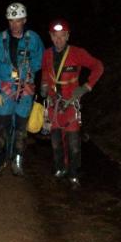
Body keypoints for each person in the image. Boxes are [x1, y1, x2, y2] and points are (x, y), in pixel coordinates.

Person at [40, 18, 104, 187]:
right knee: (55, 143)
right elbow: (46, 73)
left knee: (74, 143)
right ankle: (60, 168)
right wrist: (44, 86)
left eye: (62, 36)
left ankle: (73, 173)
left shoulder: (77, 53)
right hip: (54, 104)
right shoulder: (47, 54)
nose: (58, 40)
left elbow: (98, 66)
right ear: (50, 36)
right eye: (55, 36)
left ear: (68, 36)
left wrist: (86, 87)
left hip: (70, 104)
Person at [0, 2, 44, 176]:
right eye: (11, 21)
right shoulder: (0, 39)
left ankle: (17, 159)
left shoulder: (33, 39)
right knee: (1, 129)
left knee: (20, 129)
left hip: (25, 91)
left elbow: (40, 61)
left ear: (24, 20)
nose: (14, 25)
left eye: (18, 20)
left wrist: (31, 78)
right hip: (5, 89)